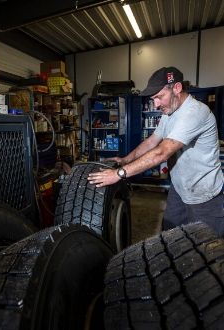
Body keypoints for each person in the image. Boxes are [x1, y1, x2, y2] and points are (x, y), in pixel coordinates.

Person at [88, 66, 224, 235]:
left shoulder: (194, 112)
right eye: (154, 99)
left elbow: (162, 152)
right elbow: (152, 141)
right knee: (170, 237)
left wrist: (118, 174)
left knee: (205, 248)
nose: (156, 104)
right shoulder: (169, 113)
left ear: (177, 88)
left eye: (160, 97)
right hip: (180, 188)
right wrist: (126, 160)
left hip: (204, 195)